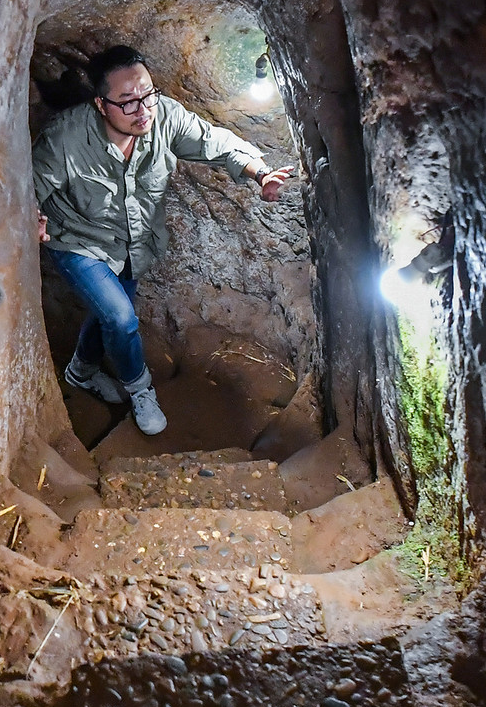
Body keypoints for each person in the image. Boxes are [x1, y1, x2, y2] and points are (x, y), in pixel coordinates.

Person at [33, 44, 295, 436]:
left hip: (136, 242)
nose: (143, 110)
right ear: (101, 104)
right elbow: (26, 187)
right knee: (121, 319)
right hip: (79, 240)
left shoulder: (165, 117)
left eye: (148, 95)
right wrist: (30, 216)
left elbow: (214, 143)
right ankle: (139, 389)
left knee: (108, 312)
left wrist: (260, 173)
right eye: (127, 101)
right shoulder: (65, 139)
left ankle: (80, 372)